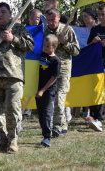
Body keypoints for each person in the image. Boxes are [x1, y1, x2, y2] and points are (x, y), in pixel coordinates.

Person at [0, 2, 34, 153]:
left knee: (13, 108)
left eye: (3, 12)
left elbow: (30, 45)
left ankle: (13, 139)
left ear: (10, 13)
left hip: (13, 75)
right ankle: (1, 140)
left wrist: (13, 39)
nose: (0, 15)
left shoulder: (18, 28)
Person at [44, 8, 80, 137]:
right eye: (48, 20)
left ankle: (58, 127)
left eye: (53, 20)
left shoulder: (67, 30)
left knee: (59, 98)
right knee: (50, 99)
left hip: (63, 69)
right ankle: (63, 126)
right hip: (48, 69)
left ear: (59, 18)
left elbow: (76, 50)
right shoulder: (45, 31)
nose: (51, 23)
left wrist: (64, 43)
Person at [36, 34, 61, 147]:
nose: (45, 48)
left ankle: (47, 137)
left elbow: (53, 78)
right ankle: (44, 135)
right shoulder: (41, 55)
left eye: (47, 46)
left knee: (47, 113)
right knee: (40, 113)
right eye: (44, 46)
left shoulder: (56, 61)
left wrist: (42, 90)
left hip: (49, 90)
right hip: (38, 89)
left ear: (54, 46)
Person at [85, 3, 105, 131]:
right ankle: (97, 118)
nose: (101, 17)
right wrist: (94, 42)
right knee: (97, 89)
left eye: (103, 15)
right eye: (99, 15)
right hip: (97, 63)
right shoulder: (94, 29)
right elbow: (88, 45)